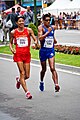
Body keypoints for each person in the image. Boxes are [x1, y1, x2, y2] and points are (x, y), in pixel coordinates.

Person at [9, 15, 37, 99]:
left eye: (22, 21)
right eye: (19, 21)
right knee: (22, 73)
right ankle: (27, 92)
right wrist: (12, 49)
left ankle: (19, 80)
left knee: (27, 76)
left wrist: (35, 43)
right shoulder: (13, 32)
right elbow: (10, 42)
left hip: (27, 55)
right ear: (16, 23)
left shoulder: (28, 30)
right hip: (18, 55)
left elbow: (35, 39)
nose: (21, 22)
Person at [38, 14, 60, 92]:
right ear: (43, 21)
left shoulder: (52, 27)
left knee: (52, 68)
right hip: (43, 51)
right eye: (46, 20)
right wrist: (47, 33)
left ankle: (56, 85)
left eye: (49, 20)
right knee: (44, 69)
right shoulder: (41, 28)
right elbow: (40, 38)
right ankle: (41, 81)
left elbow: (52, 34)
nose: (48, 21)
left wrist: (54, 39)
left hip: (50, 50)